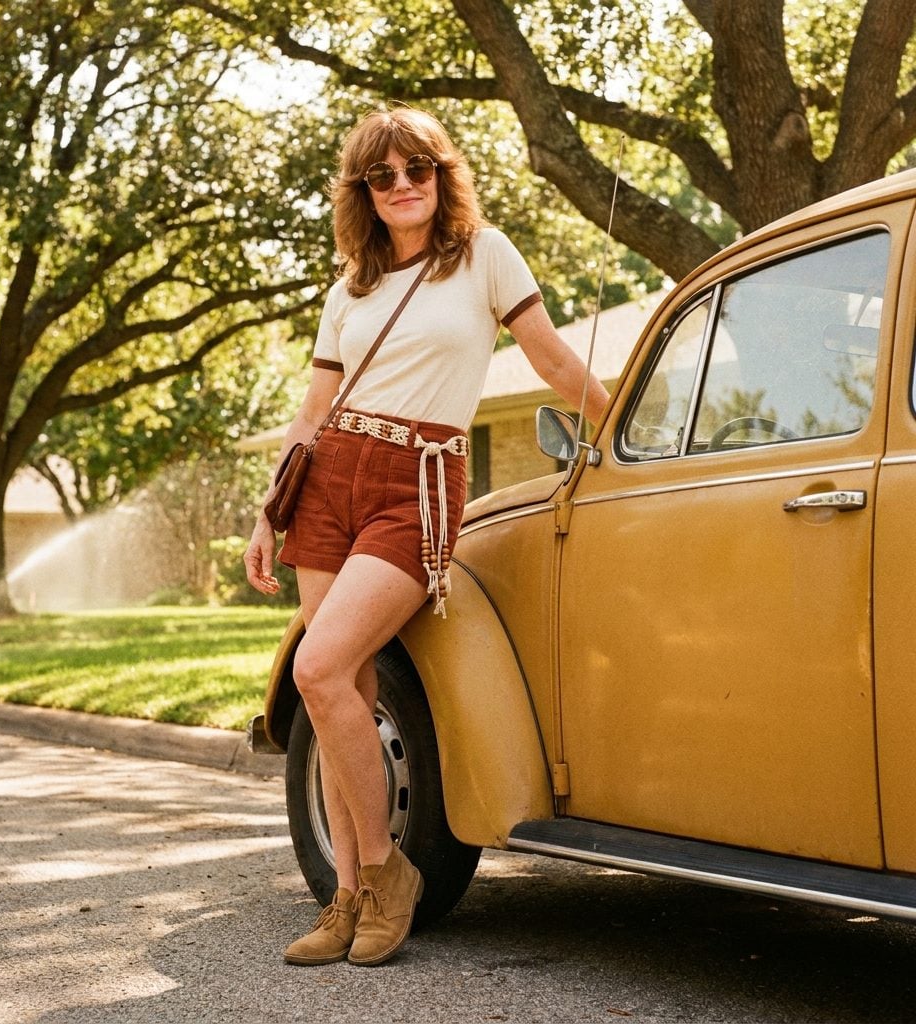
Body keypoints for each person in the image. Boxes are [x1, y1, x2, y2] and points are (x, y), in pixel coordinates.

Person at [244, 106, 609, 967]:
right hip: (328, 482)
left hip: (416, 483)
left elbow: (551, 357)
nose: (403, 185)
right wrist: (269, 512)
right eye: (383, 175)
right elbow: (313, 412)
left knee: (318, 667)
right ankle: (347, 899)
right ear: (363, 193)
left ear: (443, 176)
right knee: (346, 691)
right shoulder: (349, 287)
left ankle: (386, 873)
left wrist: (627, 424)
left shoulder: (485, 255)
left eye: (419, 169)